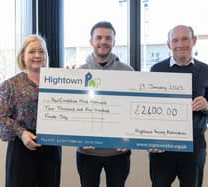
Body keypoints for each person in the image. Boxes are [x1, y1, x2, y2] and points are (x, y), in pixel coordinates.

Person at [149, 25, 208, 187]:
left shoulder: (205, 70)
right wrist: (149, 141)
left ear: (194, 41)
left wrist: (206, 105)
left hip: (194, 146)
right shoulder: (156, 70)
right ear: (169, 45)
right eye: (175, 40)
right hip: (162, 145)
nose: (180, 44)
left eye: (185, 39)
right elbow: (148, 110)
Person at [0, 34, 62, 187]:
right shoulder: (11, 85)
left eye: (41, 51)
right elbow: (2, 119)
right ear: (22, 56)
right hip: (22, 149)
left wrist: (74, 77)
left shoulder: (58, 82)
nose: (37, 55)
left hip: (51, 148)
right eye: (32, 51)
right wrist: (22, 133)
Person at [76, 21, 134, 187]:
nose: (103, 41)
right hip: (87, 152)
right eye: (99, 37)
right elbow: (73, 113)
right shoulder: (78, 73)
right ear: (91, 41)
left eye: (108, 38)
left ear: (114, 42)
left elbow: (132, 110)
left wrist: (129, 139)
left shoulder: (128, 71)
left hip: (118, 152)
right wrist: (79, 140)